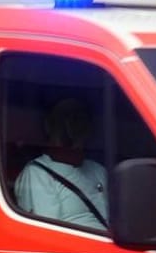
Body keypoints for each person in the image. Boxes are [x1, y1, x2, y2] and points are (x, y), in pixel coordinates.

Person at [14, 97, 110, 229]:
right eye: (65, 119)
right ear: (50, 127)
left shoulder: (97, 169)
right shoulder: (37, 173)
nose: (73, 125)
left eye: (79, 118)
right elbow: (48, 234)